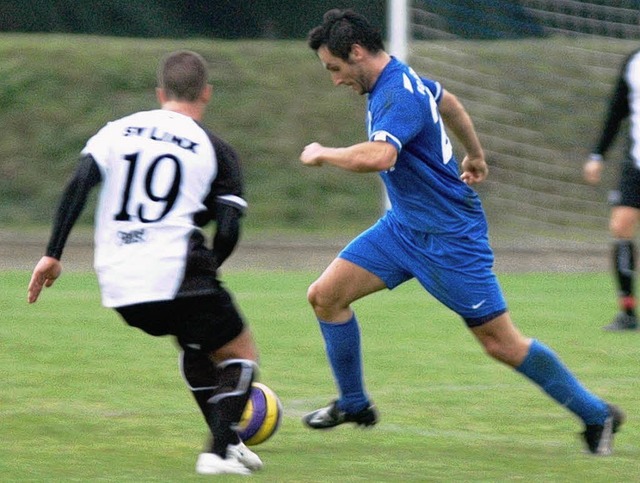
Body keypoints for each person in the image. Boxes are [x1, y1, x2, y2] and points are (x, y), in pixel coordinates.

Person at [299, 9, 625, 455]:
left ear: (356, 53)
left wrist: (323, 154)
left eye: (334, 69)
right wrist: (475, 154)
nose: (335, 80)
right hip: (403, 229)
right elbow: (447, 100)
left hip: (450, 238)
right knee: (325, 296)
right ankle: (354, 404)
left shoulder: (397, 93)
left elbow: (379, 157)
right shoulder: (401, 80)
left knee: (501, 343)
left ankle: (596, 414)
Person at [27, 50, 263, 476]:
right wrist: (212, 269)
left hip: (119, 284)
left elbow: (80, 183)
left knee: (195, 343)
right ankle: (218, 451)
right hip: (177, 270)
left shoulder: (116, 132)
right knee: (240, 353)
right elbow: (227, 228)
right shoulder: (217, 149)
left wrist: (53, 254)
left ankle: (228, 437)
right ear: (206, 93)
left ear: (160, 93)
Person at [583, 47, 640, 331]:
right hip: (636, 163)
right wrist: (597, 155)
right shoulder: (634, 62)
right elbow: (617, 111)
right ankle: (628, 312)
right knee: (620, 227)